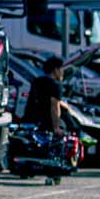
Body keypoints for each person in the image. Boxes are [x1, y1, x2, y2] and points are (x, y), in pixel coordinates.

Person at [23, 56, 83, 185]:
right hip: (47, 120)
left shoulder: (37, 81)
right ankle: (57, 171)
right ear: (55, 70)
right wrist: (56, 127)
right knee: (70, 130)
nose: (62, 73)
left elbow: (44, 100)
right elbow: (54, 106)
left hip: (32, 118)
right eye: (61, 70)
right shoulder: (56, 85)